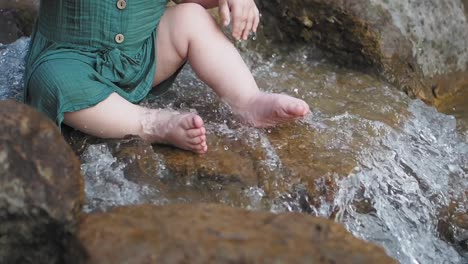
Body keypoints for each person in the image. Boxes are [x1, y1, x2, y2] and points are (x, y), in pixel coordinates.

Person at [24, 0, 310, 154]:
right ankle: (150, 123)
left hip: (142, 55)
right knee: (50, 80)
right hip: (71, 59)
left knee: (191, 17)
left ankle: (248, 99)